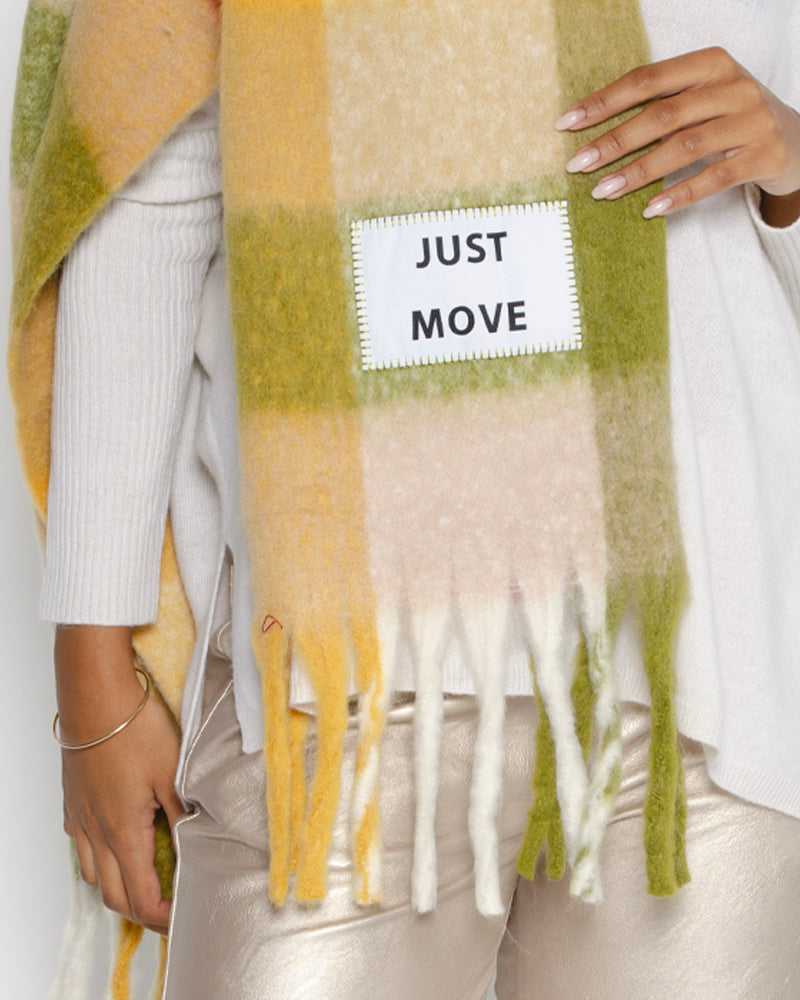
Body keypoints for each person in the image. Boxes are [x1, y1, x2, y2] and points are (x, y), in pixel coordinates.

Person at [9, 1, 800, 997]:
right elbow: (145, 200)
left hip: (698, 664)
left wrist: (791, 169)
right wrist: (91, 663)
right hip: (338, 669)